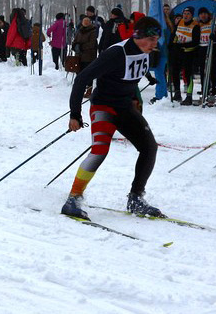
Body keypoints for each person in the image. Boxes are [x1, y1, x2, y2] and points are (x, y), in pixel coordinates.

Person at [61, 17, 164, 219]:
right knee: (100, 151)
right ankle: (73, 199)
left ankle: (136, 198)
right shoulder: (117, 53)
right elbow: (82, 78)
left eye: (157, 39)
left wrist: (137, 94)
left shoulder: (147, 52)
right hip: (104, 107)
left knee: (149, 147)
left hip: (124, 107)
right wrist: (75, 114)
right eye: (151, 39)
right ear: (138, 36)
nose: (155, 44)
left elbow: (131, 76)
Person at [170, 7, 199, 104]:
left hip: (189, 53)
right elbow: (175, 35)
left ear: (192, 15)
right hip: (177, 52)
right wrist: (172, 45)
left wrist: (183, 45)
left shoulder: (195, 25)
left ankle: (189, 96)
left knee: (187, 74)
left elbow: (195, 42)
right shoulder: (180, 22)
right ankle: (177, 93)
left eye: (188, 14)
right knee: (175, 72)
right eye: (184, 13)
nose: (185, 16)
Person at [72, 16, 99, 97]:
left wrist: (81, 47)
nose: (85, 23)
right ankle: (80, 89)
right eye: (84, 22)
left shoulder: (92, 31)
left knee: (88, 74)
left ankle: (89, 90)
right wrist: (75, 46)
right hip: (79, 56)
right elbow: (75, 40)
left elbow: (91, 44)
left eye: (87, 22)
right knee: (79, 73)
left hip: (89, 56)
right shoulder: (79, 31)